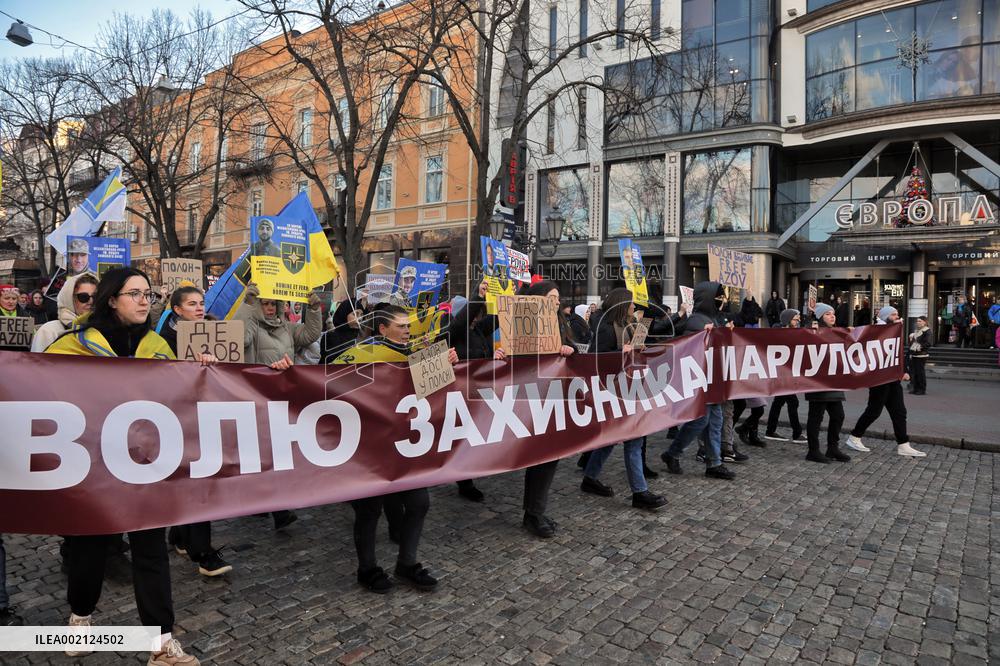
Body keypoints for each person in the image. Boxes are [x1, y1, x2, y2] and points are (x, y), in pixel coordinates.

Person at [45, 267, 200, 665]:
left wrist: (206, 372)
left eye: (149, 293)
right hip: (92, 470)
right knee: (89, 550)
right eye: (135, 293)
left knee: (151, 553)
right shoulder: (71, 346)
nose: (146, 300)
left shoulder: (160, 347)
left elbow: (181, 399)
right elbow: (37, 393)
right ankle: (80, 620)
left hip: (145, 468)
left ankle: (161, 644)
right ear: (112, 299)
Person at [346, 303, 458, 593]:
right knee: (370, 509)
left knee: (419, 502)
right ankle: (367, 569)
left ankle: (407, 564)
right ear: (382, 329)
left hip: (404, 445)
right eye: (401, 326)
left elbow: (432, 393)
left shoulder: (416, 355)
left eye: (409, 326)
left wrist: (447, 364)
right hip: (369, 446)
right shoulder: (358, 356)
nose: (408, 330)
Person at [157, 286, 233, 578]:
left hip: (208, 414)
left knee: (199, 477)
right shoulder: (164, 339)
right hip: (179, 415)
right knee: (195, 479)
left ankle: (179, 536)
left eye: (201, 303)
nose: (200, 308)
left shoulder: (217, 331)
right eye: (192, 304)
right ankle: (202, 553)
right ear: (177, 310)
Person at [236, 283, 324, 529]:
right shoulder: (252, 325)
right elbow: (240, 337)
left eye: (274, 303)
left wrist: (314, 308)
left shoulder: (286, 327)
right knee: (263, 453)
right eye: (265, 303)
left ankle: (273, 506)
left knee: (276, 452)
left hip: (282, 397)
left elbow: (309, 335)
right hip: (255, 395)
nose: (270, 308)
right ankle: (273, 507)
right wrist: (248, 302)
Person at [580, 287, 667, 511]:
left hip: (627, 389)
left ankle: (590, 478)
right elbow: (595, 360)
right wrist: (622, 352)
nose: (633, 307)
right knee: (634, 438)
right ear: (621, 305)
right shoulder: (607, 329)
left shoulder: (626, 327)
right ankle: (640, 492)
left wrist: (637, 349)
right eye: (630, 304)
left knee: (612, 438)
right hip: (614, 391)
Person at [660, 282, 736, 481]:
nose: (722, 301)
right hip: (701, 379)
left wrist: (727, 332)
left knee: (715, 420)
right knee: (701, 420)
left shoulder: (716, 318)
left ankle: (714, 462)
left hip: (714, 379)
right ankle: (674, 453)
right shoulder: (696, 321)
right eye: (718, 298)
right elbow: (691, 348)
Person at [444, 281, 506, 503]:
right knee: (462, 436)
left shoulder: (479, 329)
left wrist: (510, 293)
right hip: (460, 392)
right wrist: (477, 296)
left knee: (474, 434)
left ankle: (468, 472)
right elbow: (462, 320)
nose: (478, 316)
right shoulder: (453, 332)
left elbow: (501, 315)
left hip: (479, 391)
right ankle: (464, 481)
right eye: (474, 312)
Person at [845, 306, 927, 458]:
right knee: (874, 410)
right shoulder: (876, 330)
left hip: (892, 377)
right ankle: (854, 437)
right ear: (885, 316)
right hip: (878, 378)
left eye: (897, 313)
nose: (897, 316)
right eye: (893, 314)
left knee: (899, 411)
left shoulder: (894, 330)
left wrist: (902, 371)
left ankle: (903, 444)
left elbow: (897, 353)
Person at [803, 303, 850, 464]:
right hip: (818, 382)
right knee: (816, 417)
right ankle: (813, 450)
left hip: (833, 381)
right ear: (820, 316)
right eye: (828, 314)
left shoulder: (836, 332)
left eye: (833, 313)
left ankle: (832, 448)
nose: (832, 316)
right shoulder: (812, 331)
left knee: (838, 415)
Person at [763, 309, 808, 443]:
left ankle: (770, 431)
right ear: (788, 320)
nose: (798, 321)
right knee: (792, 402)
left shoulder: (794, 332)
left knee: (779, 402)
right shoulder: (778, 333)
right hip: (781, 373)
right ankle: (796, 433)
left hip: (787, 373)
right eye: (795, 319)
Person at [31, 274, 99, 352]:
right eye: (83, 297)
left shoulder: (103, 330)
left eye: (95, 297)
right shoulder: (49, 331)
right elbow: (38, 363)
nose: (90, 301)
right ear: (69, 299)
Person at [908, 315, 933, 395]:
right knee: (914, 373)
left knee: (920, 373)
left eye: (920, 321)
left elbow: (928, 343)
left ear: (925, 322)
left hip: (922, 355)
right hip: (914, 354)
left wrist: (918, 347)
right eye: (917, 321)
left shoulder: (927, 331)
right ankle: (915, 388)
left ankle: (922, 389)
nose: (917, 322)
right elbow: (913, 342)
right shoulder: (917, 331)